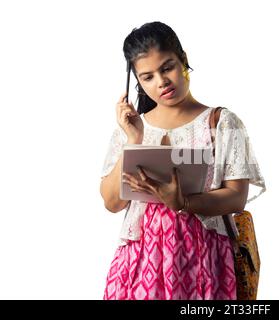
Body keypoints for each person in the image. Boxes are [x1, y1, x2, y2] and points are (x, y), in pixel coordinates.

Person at [100, 21, 266, 300]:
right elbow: (111, 202)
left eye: (167, 68)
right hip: (141, 260)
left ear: (183, 60)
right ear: (137, 82)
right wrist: (133, 141)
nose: (161, 82)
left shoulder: (222, 122)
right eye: (147, 76)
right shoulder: (132, 130)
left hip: (203, 257)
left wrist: (183, 203)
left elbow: (237, 197)